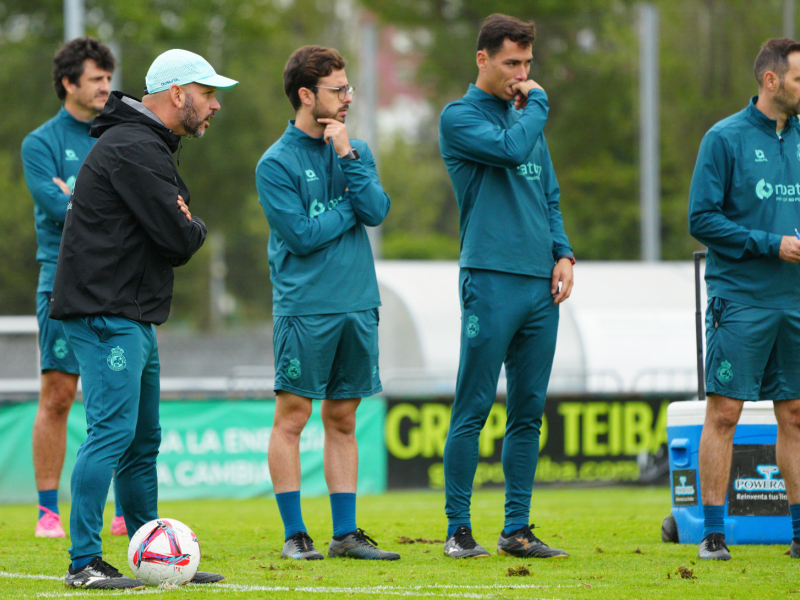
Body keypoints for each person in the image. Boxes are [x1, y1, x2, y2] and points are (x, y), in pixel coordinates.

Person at [49, 49, 237, 589]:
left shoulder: (145, 143)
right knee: (112, 434)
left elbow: (178, 227)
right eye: (208, 93)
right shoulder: (134, 146)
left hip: (132, 315)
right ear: (178, 94)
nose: (215, 105)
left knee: (139, 441)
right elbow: (181, 238)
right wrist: (190, 222)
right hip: (108, 314)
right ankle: (83, 562)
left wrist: (185, 218)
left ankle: (146, 552)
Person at [438, 14, 574, 559]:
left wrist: (562, 250)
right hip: (490, 279)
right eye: (511, 63)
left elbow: (549, 193)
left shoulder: (525, 120)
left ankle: (516, 528)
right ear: (483, 59)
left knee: (528, 410)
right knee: (472, 406)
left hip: (540, 285)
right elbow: (514, 150)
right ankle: (458, 529)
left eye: (527, 64)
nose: (521, 74)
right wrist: (536, 104)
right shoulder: (459, 117)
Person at [256, 45, 396, 561]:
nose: (347, 98)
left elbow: (377, 210)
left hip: (358, 303)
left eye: (348, 88)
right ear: (306, 95)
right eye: (338, 90)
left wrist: (347, 159)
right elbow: (301, 235)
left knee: (343, 418)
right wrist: (348, 210)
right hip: (305, 308)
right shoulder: (275, 163)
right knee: (292, 417)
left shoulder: (354, 149)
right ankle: (295, 534)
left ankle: (346, 534)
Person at [689, 37, 800, 561]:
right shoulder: (724, 138)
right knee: (726, 412)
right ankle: (713, 534)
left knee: (796, 414)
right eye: (799, 78)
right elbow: (701, 219)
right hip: (742, 297)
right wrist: (770, 244)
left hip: (795, 301)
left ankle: (799, 534)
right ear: (770, 80)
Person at [21, 37, 131, 539]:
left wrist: (82, 201)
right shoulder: (41, 143)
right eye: (96, 79)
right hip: (62, 281)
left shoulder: (122, 133)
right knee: (60, 395)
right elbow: (56, 210)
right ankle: (49, 511)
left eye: (109, 79)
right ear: (69, 83)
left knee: (118, 397)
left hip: (121, 284)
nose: (106, 87)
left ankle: (125, 508)